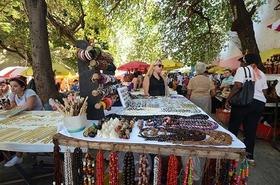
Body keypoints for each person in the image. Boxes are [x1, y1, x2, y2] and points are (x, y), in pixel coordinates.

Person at [225, 54, 268, 165]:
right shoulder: (262, 74)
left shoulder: (242, 70)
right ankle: (249, 157)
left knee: (234, 127)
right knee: (251, 130)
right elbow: (264, 91)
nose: (241, 63)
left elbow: (238, 85)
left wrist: (229, 99)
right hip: (258, 104)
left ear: (246, 62)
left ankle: (230, 154)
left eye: (242, 61)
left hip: (244, 103)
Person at [3, 75, 43, 167]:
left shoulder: (29, 92)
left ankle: (19, 155)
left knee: (21, 130)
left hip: (39, 117)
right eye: (11, 86)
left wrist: (13, 108)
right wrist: (7, 107)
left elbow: (29, 107)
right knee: (11, 127)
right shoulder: (12, 94)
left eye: (15, 86)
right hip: (25, 117)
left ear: (23, 87)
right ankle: (17, 153)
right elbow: (13, 107)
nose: (12, 89)